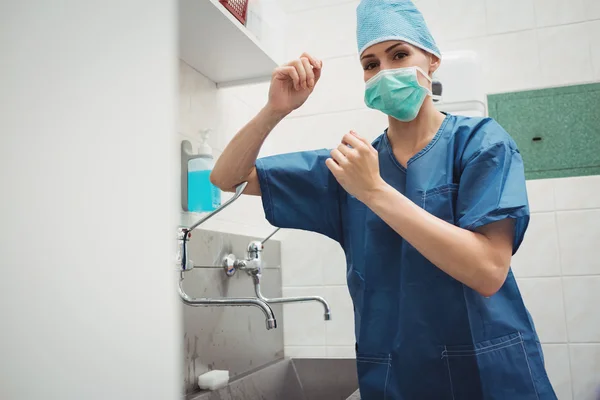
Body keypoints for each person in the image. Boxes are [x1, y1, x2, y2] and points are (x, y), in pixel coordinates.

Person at [211, 0, 557, 398]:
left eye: (399, 54)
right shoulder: (349, 167)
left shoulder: (480, 144)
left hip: (489, 375)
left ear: (432, 61)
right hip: (401, 380)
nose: (385, 71)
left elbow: (488, 270)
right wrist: (274, 110)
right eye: (371, 64)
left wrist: (374, 191)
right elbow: (227, 177)